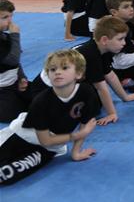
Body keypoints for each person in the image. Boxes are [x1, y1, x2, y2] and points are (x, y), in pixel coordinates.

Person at [0, 50, 99, 186]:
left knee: (6, 174)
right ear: (47, 74)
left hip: (48, 148)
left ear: (79, 73)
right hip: (22, 136)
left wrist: (76, 153)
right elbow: (45, 140)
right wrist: (78, 135)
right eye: (53, 69)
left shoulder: (86, 92)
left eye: (64, 68)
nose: (57, 72)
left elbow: (85, 122)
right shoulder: (41, 101)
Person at [30, 16, 134, 125]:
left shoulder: (102, 49)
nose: (124, 43)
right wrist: (111, 113)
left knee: (95, 101)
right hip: (44, 91)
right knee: (91, 106)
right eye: (120, 39)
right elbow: (101, 87)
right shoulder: (90, 54)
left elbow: (110, 75)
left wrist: (125, 97)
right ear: (104, 40)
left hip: (63, 86)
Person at [0, 0, 29, 122]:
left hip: (12, 83)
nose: (10, 21)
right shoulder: (10, 36)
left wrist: (22, 77)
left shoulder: (5, 36)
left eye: (11, 16)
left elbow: (17, 63)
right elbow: (13, 59)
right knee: (11, 115)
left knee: (37, 97)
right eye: (5, 17)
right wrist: (15, 36)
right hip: (2, 88)